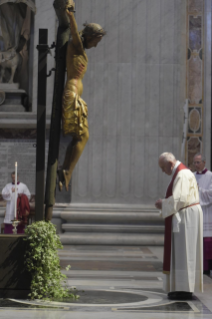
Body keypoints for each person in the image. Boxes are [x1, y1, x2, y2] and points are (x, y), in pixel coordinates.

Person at [57, 0, 106, 191]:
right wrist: (70, 16)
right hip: (72, 94)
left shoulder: (81, 50)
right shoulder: (77, 45)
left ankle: (66, 169)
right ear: (90, 37)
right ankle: (67, 170)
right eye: (97, 40)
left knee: (80, 137)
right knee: (83, 136)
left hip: (75, 94)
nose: (97, 44)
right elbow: (76, 36)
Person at [155, 152, 203, 300]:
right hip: (185, 215)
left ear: (170, 164)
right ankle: (180, 287)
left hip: (186, 217)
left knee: (184, 253)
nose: (163, 171)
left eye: (163, 168)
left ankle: (184, 289)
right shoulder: (180, 172)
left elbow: (180, 199)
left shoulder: (182, 174)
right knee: (181, 253)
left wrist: (162, 204)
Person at [193, 152, 212, 274]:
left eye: (198, 162)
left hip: (207, 213)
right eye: (194, 162)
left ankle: (207, 270)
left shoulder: (210, 176)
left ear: (204, 162)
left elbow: (211, 194)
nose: (196, 165)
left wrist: (198, 190)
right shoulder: (192, 176)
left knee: (207, 244)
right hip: (195, 213)